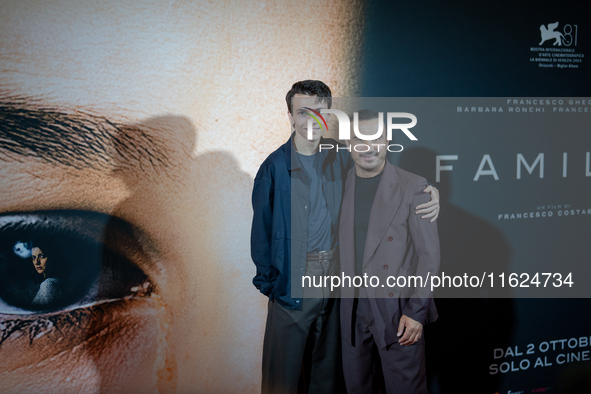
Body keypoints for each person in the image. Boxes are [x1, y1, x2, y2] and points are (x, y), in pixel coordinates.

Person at [251, 83, 440, 394]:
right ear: (290, 116)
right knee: (284, 377)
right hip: (302, 283)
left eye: (319, 112)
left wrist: (431, 192)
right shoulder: (276, 167)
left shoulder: (338, 158)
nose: (311, 120)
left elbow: (396, 188)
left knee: (326, 373)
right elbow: (261, 232)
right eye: (302, 112)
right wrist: (273, 284)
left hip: (342, 284)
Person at [339, 110, 440, 393]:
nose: (368, 147)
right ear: (348, 143)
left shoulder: (414, 186)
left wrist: (417, 312)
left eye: (376, 138)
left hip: (398, 312)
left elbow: (429, 256)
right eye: (360, 139)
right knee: (357, 387)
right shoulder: (338, 183)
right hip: (351, 310)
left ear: (387, 141)